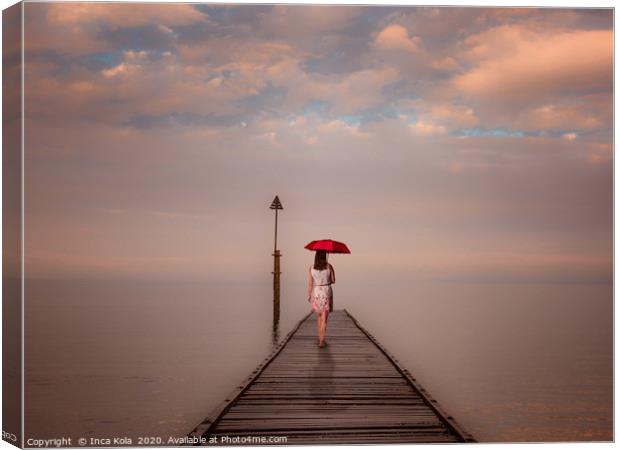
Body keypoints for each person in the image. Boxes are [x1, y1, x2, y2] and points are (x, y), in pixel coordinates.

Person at [307, 250, 335, 348]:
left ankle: (320, 338)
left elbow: (310, 284)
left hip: (316, 292)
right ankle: (321, 341)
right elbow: (333, 280)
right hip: (326, 292)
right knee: (324, 318)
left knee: (319, 317)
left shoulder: (311, 268)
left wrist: (309, 295)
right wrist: (329, 275)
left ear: (316, 256)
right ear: (325, 256)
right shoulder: (329, 266)